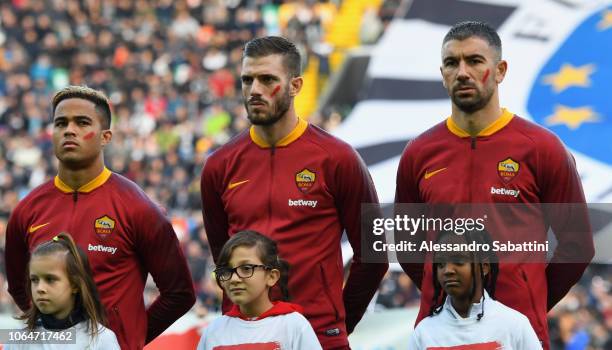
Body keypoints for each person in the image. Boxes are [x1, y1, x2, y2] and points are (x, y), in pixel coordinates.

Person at [395, 21, 594, 350]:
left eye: (474, 61)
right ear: (442, 73)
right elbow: (408, 246)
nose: (462, 72)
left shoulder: (542, 148)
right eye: (451, 62)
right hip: (441, 336)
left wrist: (528, 301)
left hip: (518, 333)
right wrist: (446, 296)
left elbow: (578, 245)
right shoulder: (419, 153)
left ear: (500, 70)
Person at [200, 36, 388, 350]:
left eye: (267, 79)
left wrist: (336, 323)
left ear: (296, 85)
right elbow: (224, 258)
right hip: (242, 340)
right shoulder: (219, 166)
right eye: (248, 80)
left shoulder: (337, 159)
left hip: (320, 335)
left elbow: (374, 254)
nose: (255, 90)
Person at [5, 86, 196, 350]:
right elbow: (19, 287)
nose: (69, 130)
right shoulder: (26, 211)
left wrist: (129, 340)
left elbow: (180, 294)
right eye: (61, 123)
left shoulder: (138, 208)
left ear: (106, 136)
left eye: (82, 122)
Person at [407, 230, 542, 349]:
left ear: (484, 267)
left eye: (459, 261)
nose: (447, 270)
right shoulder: (424, 332)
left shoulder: (514, 325)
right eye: (441, 264)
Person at [197, 230, 322, 349]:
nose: (234, 279)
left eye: (246, 268)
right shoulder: (213, 331)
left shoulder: (294, 325)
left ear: (271, 277)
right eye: (227, 270)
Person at [5, 233, 120, 350]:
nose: (40, 288)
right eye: (34, 280)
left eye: (50, 279)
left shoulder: (101, 339)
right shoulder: (19, 338)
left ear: (75, 285)